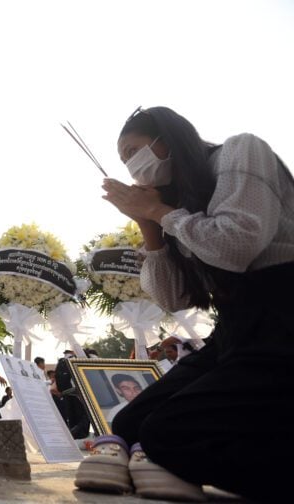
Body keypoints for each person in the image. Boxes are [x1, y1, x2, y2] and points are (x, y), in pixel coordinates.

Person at [75, 106, 294, 502]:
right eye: (124, 160)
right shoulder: (177, 205)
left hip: (282, 313)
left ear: (165, 137)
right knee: (130, 423)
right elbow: (173, 298)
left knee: (167, 433)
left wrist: (159, 211)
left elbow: (237, 244)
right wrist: (148, 225)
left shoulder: (239, 152)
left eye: (134, 150)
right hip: (236, 327)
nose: (132, 166)